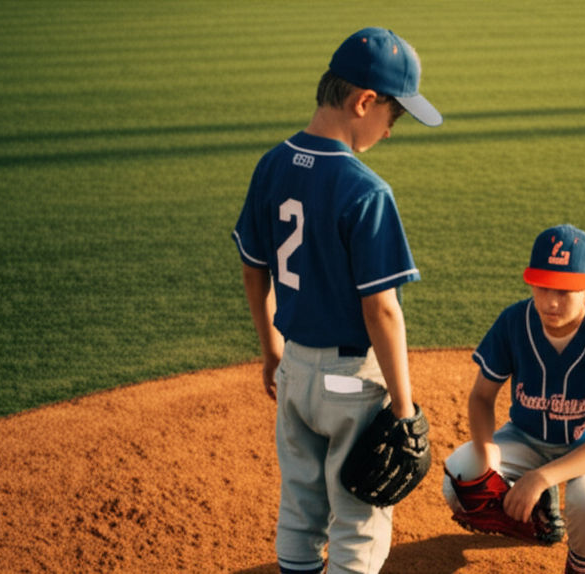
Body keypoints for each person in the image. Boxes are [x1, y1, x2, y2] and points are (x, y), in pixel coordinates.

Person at [231, 27, 441, 574]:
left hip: (294, 370)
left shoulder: (271, 165)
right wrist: (403, 404)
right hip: (352, 383)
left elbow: (255, 269)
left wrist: (271, 349)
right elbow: (382, 310)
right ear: (364, 101)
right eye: (393, 117)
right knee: (358, 523)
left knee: (300, 511)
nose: (391, 132)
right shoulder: (366, 189)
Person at [442, 224, 585, 574]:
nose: (550, 301)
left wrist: (542, 477)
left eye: (565, 291)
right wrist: (487, 457)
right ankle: (537, 518)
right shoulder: (514, 322)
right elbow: (482, 397)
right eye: (542, 285)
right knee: (459, 479)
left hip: (584, 445)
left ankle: (579, 568)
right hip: (524, 437)